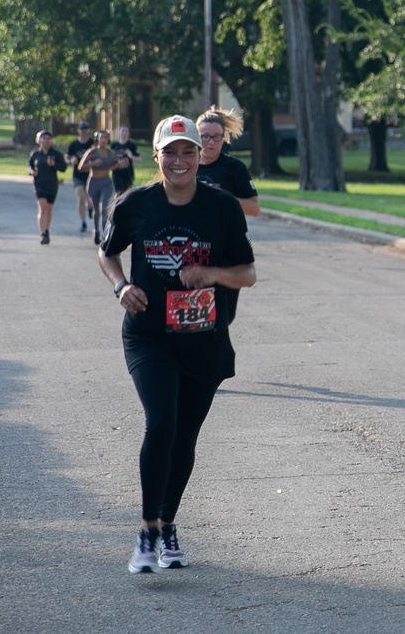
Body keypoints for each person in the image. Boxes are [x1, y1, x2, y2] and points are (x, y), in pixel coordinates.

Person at [98, 114, 256, 575]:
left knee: (185, 436)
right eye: (171, 152)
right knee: (162, 423)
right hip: (149, 334)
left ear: (200, 154)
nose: (181, 160)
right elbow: (107, 252)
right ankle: (147, 532)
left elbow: (247, 273)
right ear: (158, 156)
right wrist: (121, 287)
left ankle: (168, 524)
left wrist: (212, 274)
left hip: (204, 339)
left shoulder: (221, 207)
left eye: (189, 151)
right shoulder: (135, 205)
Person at [196, 106, 260, 323]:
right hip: (193, 246)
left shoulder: (234, 169)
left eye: (216, 137)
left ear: (224, 138)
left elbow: (254, 208)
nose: (210, 142)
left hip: (227, 249)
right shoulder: (186, 165)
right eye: (205, 137)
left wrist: (223, 198)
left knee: (224, 316)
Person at [77, 129, 118, 245]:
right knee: (96, 210)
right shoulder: (92, 152)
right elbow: (80, 167)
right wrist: (93, 164)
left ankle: (105, 234)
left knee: (105, 208)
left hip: (106, 182)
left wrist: (119, 165)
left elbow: (114, 165)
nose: (104, 140)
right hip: (94, 182)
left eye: (106, 138)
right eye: (101, 138)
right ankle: (96, 231)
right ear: (97, 139)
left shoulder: (111, 153)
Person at [28, 130, 68, 245]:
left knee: (49, 210)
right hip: (39, 184)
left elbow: (63, 168)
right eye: (44, 138)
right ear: (39, 140)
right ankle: (42, 234)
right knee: (43, 208)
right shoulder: (35, 154)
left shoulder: (56, 154)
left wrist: (54, 164)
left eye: (48, 138)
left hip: (52, 184)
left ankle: (46, 229)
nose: (46, 140)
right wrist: (32, 172)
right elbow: (29, 167)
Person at [66, 121, 94, 234]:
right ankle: (83, 222)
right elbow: (67, 157)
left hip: (91, 174)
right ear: (78, 130)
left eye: (86, 128)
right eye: (82, 129)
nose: (84, 131)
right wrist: (71, 160)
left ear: (89, 130)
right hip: (78, 174)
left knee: (90, 197)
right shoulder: (74, 144)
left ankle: (90, 208)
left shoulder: (92, 143)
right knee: (80, 197)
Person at [110, 125, 141, 194]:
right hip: (116, 173)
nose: (124, 133)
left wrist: (130, 156)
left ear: (128, 133)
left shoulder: (132, 145)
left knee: (127, 194)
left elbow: (139, 159)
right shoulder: (114, 145)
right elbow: (110, 159)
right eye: (122, 131)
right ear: (119, 133)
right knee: (118, 194)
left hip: (128, 173)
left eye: (126, 131)